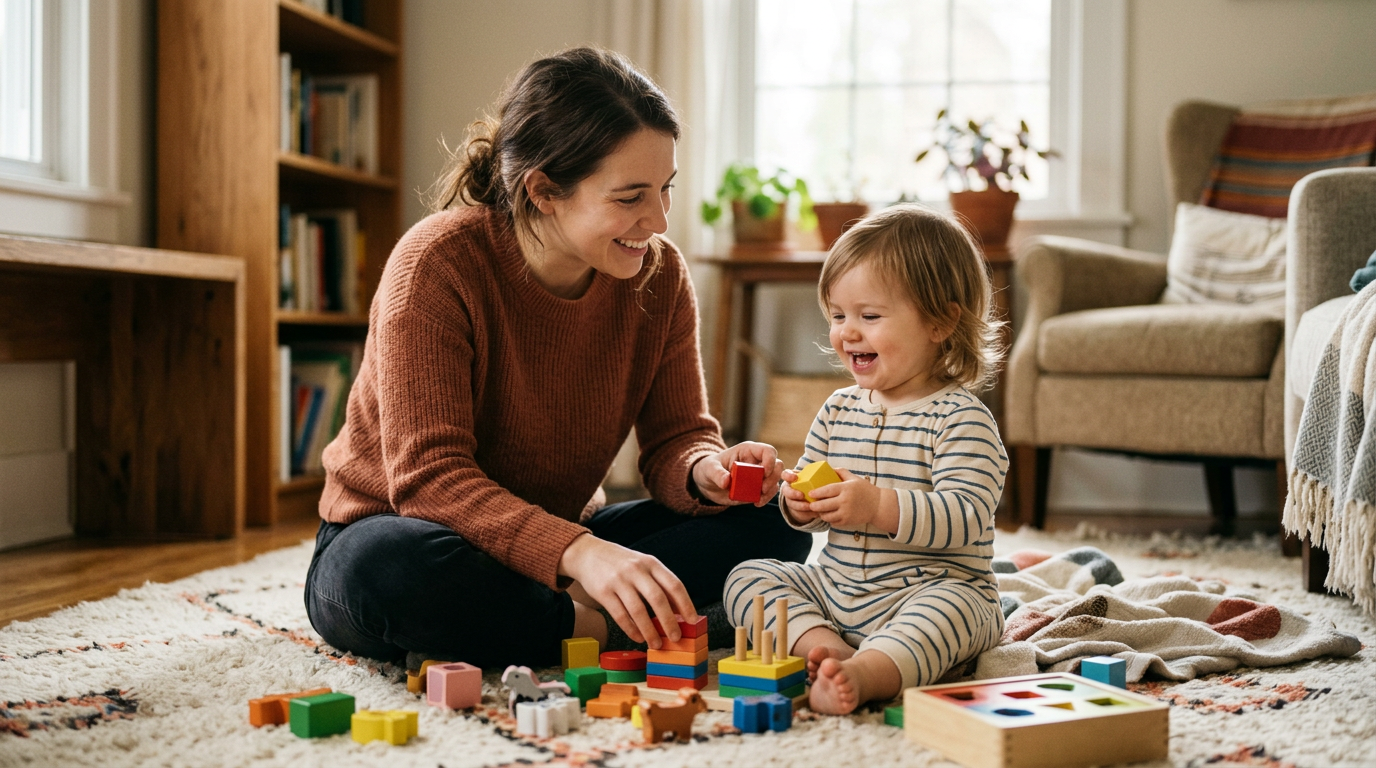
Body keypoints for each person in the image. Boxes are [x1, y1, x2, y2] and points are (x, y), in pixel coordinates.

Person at [303, 47, 811, 669]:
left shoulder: (662, 277)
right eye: (630, 198)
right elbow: (429, 482)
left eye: (665, 189)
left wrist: (710, 472)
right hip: (410, 530)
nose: (657, 219)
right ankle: (620, 626)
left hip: (557, 542)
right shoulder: (436, 265)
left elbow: (678, 437)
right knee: (385, 572)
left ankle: (559, 622)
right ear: (544, 190)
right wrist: (580, 556)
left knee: (774, 526)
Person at [723, 204, 1008, 714]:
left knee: (959, 613)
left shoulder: (963, 420)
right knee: (747, 576)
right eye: (838, 316)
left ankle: (870, 673)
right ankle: (825, 649)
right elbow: (807, 500)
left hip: (929, 589)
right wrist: (798, 503)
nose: (847, 332)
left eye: (869, 317)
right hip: (836, 589)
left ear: (941, 321)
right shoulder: (837, 409)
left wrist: (877, 506)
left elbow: (966, 518)